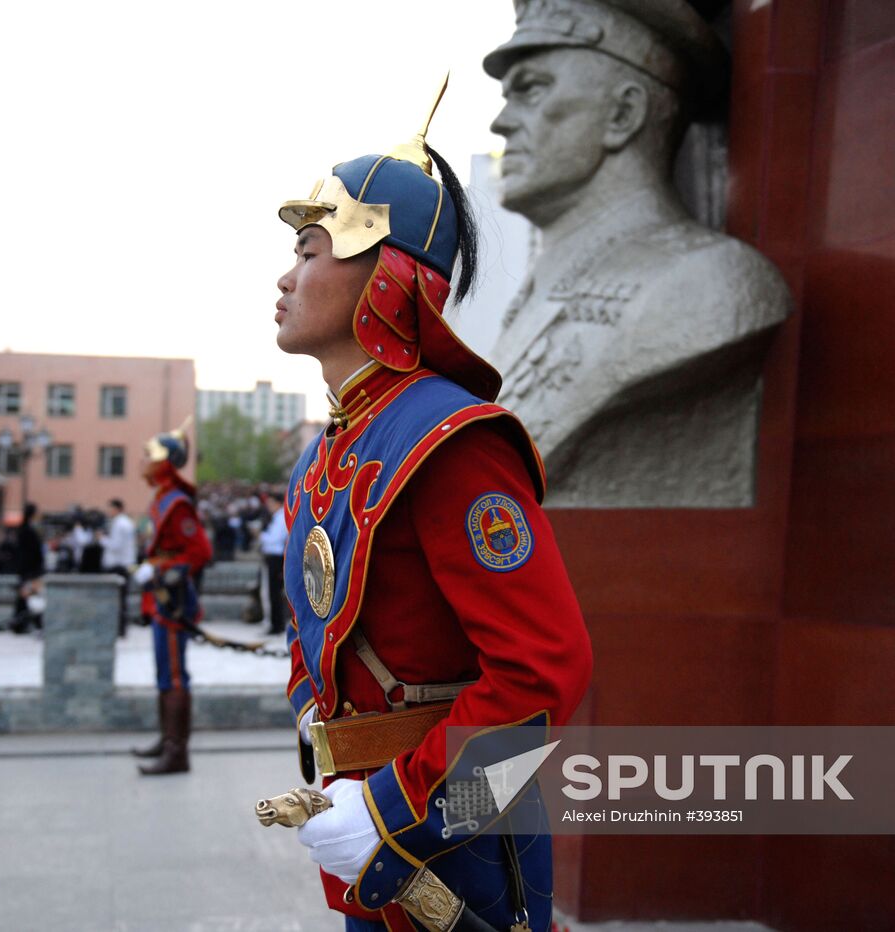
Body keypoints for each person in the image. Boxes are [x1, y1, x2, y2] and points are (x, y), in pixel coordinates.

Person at [272, 86, 593, 931]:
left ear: (386, 273)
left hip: (456, 858)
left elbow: (544, 676)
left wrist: (408, 815)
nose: (284, 274)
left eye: (310, 248)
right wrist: (335, 760)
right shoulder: (327, 452)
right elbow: (321, 635)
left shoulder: (450, 442)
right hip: (361, 828)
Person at [482, 0, 791, 507]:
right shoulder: (539, 293)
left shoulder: (707, 286)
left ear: (623, 114)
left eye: (531, 90)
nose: (501, 122)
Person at [129, 425, 212, 776]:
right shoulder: (163, 497)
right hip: (161, 599)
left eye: (151, 454)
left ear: (167, 462)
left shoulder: (176, 502)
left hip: (174, 599)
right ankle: (167, 741)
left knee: (175, 676)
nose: (144, 460)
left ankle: (177, 753)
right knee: (165, 674)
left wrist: (159, 571)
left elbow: (199, 552)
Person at [102, 498, 137, 635]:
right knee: (122, 598)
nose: (108, 511)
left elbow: (115, 545)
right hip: (125, 564)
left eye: (110, 508)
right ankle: (121, 627)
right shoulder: (126, 523)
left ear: (117, 509)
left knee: (117, 598)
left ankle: (118, 628)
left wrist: (102, 539)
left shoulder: (119, 524)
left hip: (119, 565)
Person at [257, 487, 289, 635]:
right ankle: (275, 623)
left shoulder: (281, 517)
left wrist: (261, 536)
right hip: (272, 556)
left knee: (274, 593)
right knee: (271, 592)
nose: (269, 506)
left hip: (276, 557)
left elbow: (274, 539)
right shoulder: (276, 517)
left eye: (271, 503)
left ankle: (277, 625)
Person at [12, 503, 45, 632]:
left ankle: (22, 624)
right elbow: (32, 552)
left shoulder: (24, 529)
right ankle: (22, 624)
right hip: (30, 570)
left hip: (27, 569)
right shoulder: (28, 530)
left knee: (26, 597)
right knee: (28, 596)